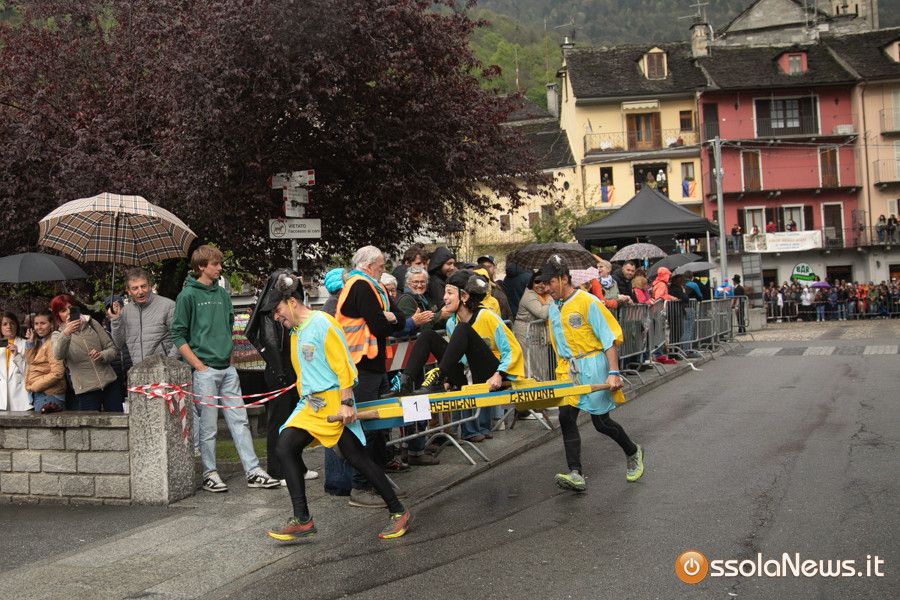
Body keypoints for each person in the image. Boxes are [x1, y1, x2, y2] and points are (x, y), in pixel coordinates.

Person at [260, 273, 410, 542]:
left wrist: (346, 402)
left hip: (332, 402)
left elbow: (344, 365)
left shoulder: (322, 323)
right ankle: (302, 519)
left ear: (292, 302)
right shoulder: (296, 332)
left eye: (278, 309)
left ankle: (398, 511)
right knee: (284, 446)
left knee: (358, 459)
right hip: (311, 405)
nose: (276, 316)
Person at [171, 245, 279, 493]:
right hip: (205, 370)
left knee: (240, 421)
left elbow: (229, 327)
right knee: (208, 427)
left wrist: (230, 360)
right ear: (201, 266)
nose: (220, 267)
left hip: (227, 370)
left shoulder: (222, 294)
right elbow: (177, 334)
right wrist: (199, 366)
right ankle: (209, 473)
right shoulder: (187, 296)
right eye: (215, 264)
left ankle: (253, 471)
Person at [541, 255, 644, 492]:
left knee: (601, 422)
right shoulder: (553, 308)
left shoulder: (588, 301)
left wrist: (614, 372)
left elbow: (608, 338)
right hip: (569, 370)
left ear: (563, 279)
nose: (547, 288)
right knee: (566, 417)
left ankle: (633, 451)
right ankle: (575, 473)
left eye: (550, 282)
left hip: (593, 365)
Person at [396, 270, 525, 442]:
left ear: (464, 296)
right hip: (467, 372)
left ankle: (438, 377)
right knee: (427, 336)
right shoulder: (451, 322)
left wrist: (499, 374)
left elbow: (513, 350)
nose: (444, 298)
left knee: (463, 329)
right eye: (445, 293)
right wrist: (450, 378)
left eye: (449, 293)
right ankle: (405, 384)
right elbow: (456, 354)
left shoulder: (486, 316)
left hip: (490, 373)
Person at [335, 246, 408, 507]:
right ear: (368, 265)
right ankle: (360, 486)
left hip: (373, 364)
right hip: (360, 365)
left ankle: (378, 484)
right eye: (380, 265)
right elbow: (381, 326)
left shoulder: (374, 287)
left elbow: (401, 320)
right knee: (364, 427)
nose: (382, 269)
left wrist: (389, 317)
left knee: (378, 428)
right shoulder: (361, 286)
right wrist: (388, 318)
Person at [245, 269, 320, 486]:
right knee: (280, 422)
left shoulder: (282, 306)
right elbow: (269, 342)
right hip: (280, 373)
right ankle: (278, 471)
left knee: (295, 421)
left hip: (289, 371)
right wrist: (279, 370)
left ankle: (296, 467)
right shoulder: (270, 310)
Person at [50, 295, 123, 411]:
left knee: (117, 419)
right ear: (58, 315)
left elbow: (112, 349)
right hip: (86, 390)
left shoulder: (92, 323)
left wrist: (101, 355)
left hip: (110, 384)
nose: (68, 312)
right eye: (63, 310)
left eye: (71, 308)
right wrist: (66, 333)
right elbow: (58, 355)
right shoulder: (57, 335)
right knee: (91, 423)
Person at [109, 267, 178, 367]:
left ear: (150, 286)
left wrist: (170, 363)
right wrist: (115, 320)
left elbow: (180, 338)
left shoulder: (168, 306)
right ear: (128, 291)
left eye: (143, 286)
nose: (140, 291)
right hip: (139, 370)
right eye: (135, 288)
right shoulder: (125, 311)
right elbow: (119, 344)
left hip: (164, 368)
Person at [24, 310, 66, 413]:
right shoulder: (41, 342)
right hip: (43, 394)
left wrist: (35, 386)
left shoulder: (52, 342)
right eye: (36, 324)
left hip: (49, 395)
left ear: (51, 324)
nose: (39, 327)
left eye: (43, 323)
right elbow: (31, 363)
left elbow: (58, 372)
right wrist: (30, 343)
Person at [512, 271, 551, 344]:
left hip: (535, 335)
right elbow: (543, 314)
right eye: (537, 282)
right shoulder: (529, 296)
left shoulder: (544, 296)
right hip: (525, 335)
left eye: (544, 282)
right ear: (532, 283)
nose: (540, 285)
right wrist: (551, 297)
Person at [1, 311, 30, 411]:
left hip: (21, 399)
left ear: (17, 325)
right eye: (5, 324)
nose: (8, 326)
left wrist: (17, 355)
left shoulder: (26, 344)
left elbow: (29, 372)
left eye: (12, 323)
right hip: (2, 399)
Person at [477, 255, 512, 320]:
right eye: (483, 267)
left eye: (489, 266)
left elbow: (506, 309)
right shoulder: (477, 289)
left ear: (494, 268)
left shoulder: (499, 285)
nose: (486, 269)